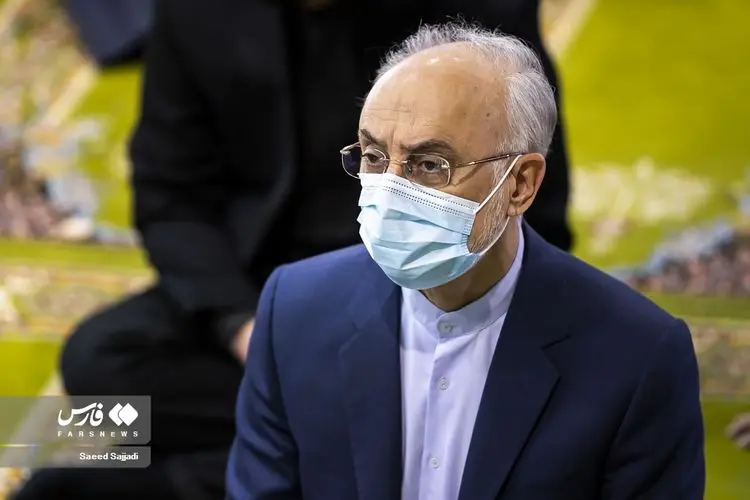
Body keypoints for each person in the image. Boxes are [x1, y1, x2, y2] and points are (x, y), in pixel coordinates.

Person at [14, 1, 571, 499]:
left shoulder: (479, 22)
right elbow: (171, 196)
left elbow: (534, 208)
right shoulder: (199, 12)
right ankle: (338, 458)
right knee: (98, 367)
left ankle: (202, 479)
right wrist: (243, 327)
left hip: (423, 293)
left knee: (519, 403)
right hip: (262, 291)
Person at [226, 23, 705, 500]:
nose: (390, 190)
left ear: (520, 184)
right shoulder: (294, 312)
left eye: (430, 164)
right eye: (373, 156)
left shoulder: (638, 355)